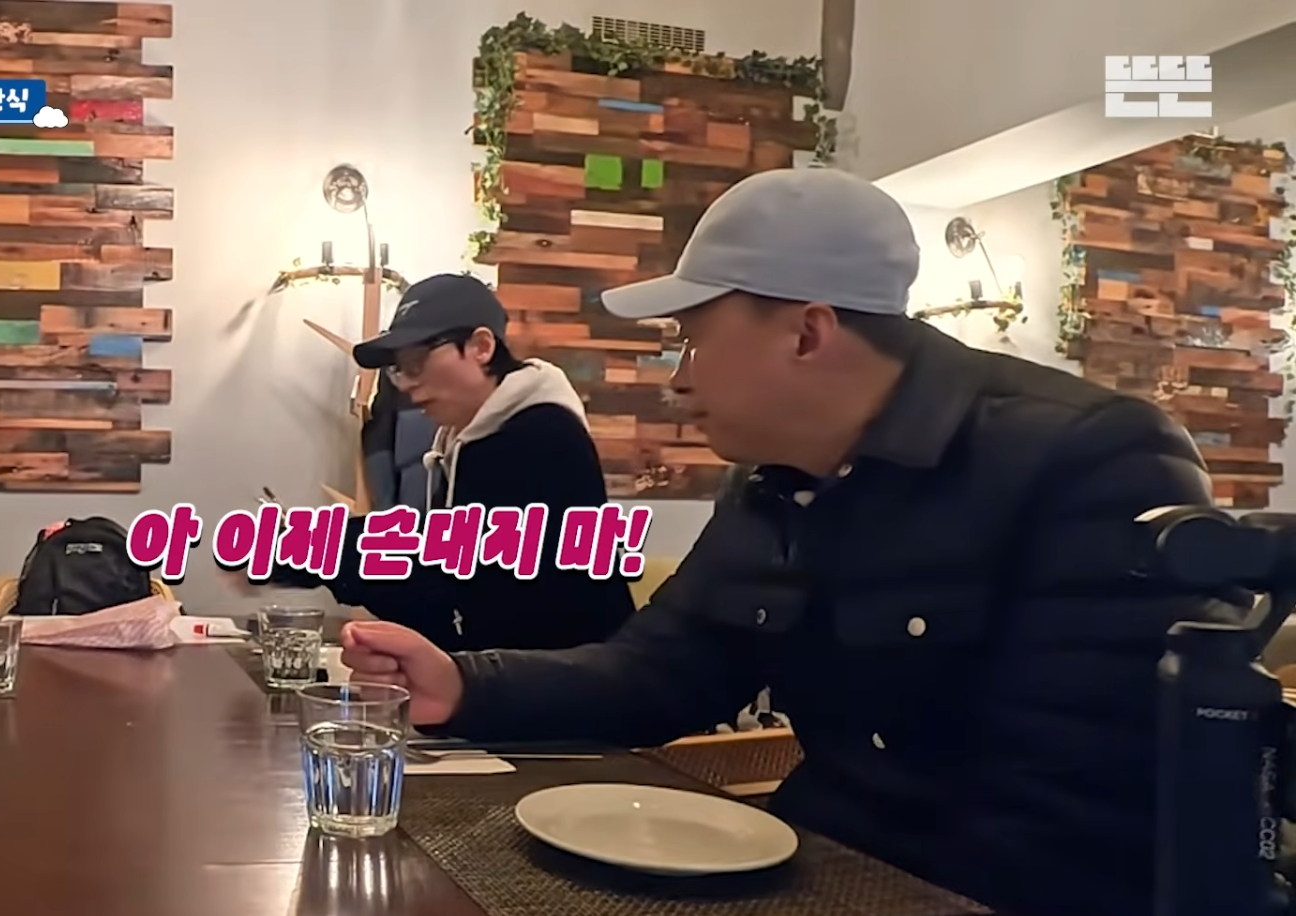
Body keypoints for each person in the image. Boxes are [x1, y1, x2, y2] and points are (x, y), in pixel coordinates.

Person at [339, 170, 1226, 916]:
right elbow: (660, 671)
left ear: (807, 332)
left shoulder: (1090, 458)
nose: (679, 380)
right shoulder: (773, 478)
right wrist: (465, 683)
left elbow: (1078, 816)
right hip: (816, 864)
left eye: (691, 341)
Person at [254, 273, 635, 651]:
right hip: (522, 672)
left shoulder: (539, 435)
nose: (406, 384)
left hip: (574, 679)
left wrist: (304, 550)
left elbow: (448, 573)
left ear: (481, 347)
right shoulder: (466, 440)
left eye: (417, 362)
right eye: (398, 369)